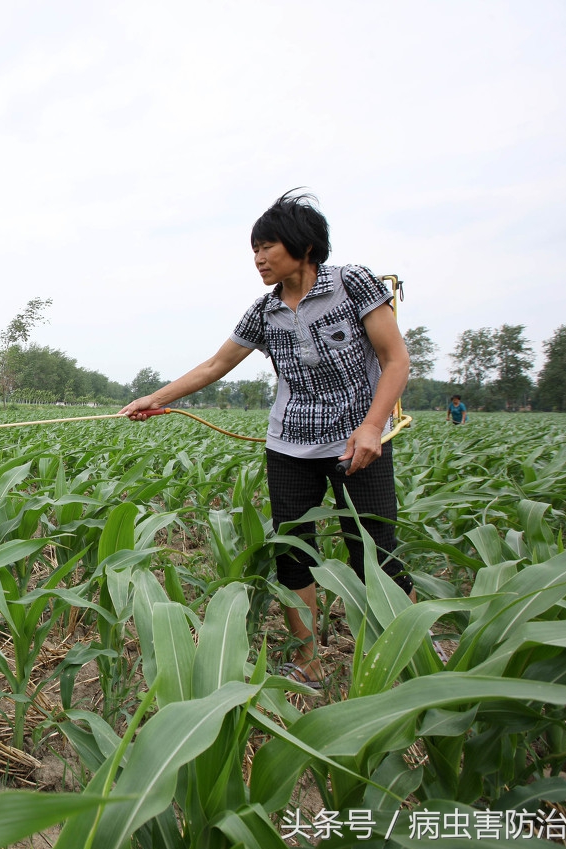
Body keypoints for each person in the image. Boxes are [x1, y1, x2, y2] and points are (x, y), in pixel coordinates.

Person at [120, 191, 411, 688]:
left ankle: (405, 653)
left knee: (375, 551)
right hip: (290, 446)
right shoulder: (264, 311)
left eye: (267, 247)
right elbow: (216, 365)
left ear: (303, 246)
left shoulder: (352, 284)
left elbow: (395, 359)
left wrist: (371, 426)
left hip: (358, 444)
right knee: (293, 550)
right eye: (254, 249)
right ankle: (308, 661)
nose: (258, 258)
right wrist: (153, 398)